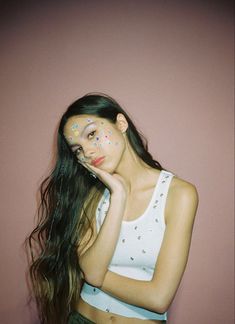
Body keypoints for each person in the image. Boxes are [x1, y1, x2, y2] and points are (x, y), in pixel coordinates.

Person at [26, 93, 199, 324]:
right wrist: (118, 195)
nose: (87, 152)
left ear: (121, 123)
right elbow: (91, 269)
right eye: (78, 149)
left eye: (92, 134)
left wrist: (95, 275)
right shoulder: (90, 194)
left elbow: (159, 298)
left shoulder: (179, 194)